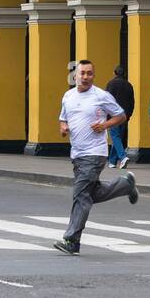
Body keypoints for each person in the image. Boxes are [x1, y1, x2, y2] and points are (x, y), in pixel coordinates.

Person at [53, 59, 139, 255]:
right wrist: (63, 127)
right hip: (77, 153)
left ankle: (72, 240)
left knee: (80, 195)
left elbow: (121, 115)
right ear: (75, 75)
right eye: (82, 73)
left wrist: (105, 126)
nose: (85, 77)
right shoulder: (68, 96)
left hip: (95, 153)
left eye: (89, 73)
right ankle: (125, 185)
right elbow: (63, 118)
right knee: (91, 194)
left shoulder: (101, 95)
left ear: (93, 75)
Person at [106, 64, 135, 169]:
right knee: (118, 137)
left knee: (115, 137)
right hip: (124, 116)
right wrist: (129, 115)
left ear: (114, 73)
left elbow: (106, 100)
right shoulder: (129, 85)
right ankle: (112, 161)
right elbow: (132, 102)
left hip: (113, 115)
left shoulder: (111, 84)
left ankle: (123, 157)